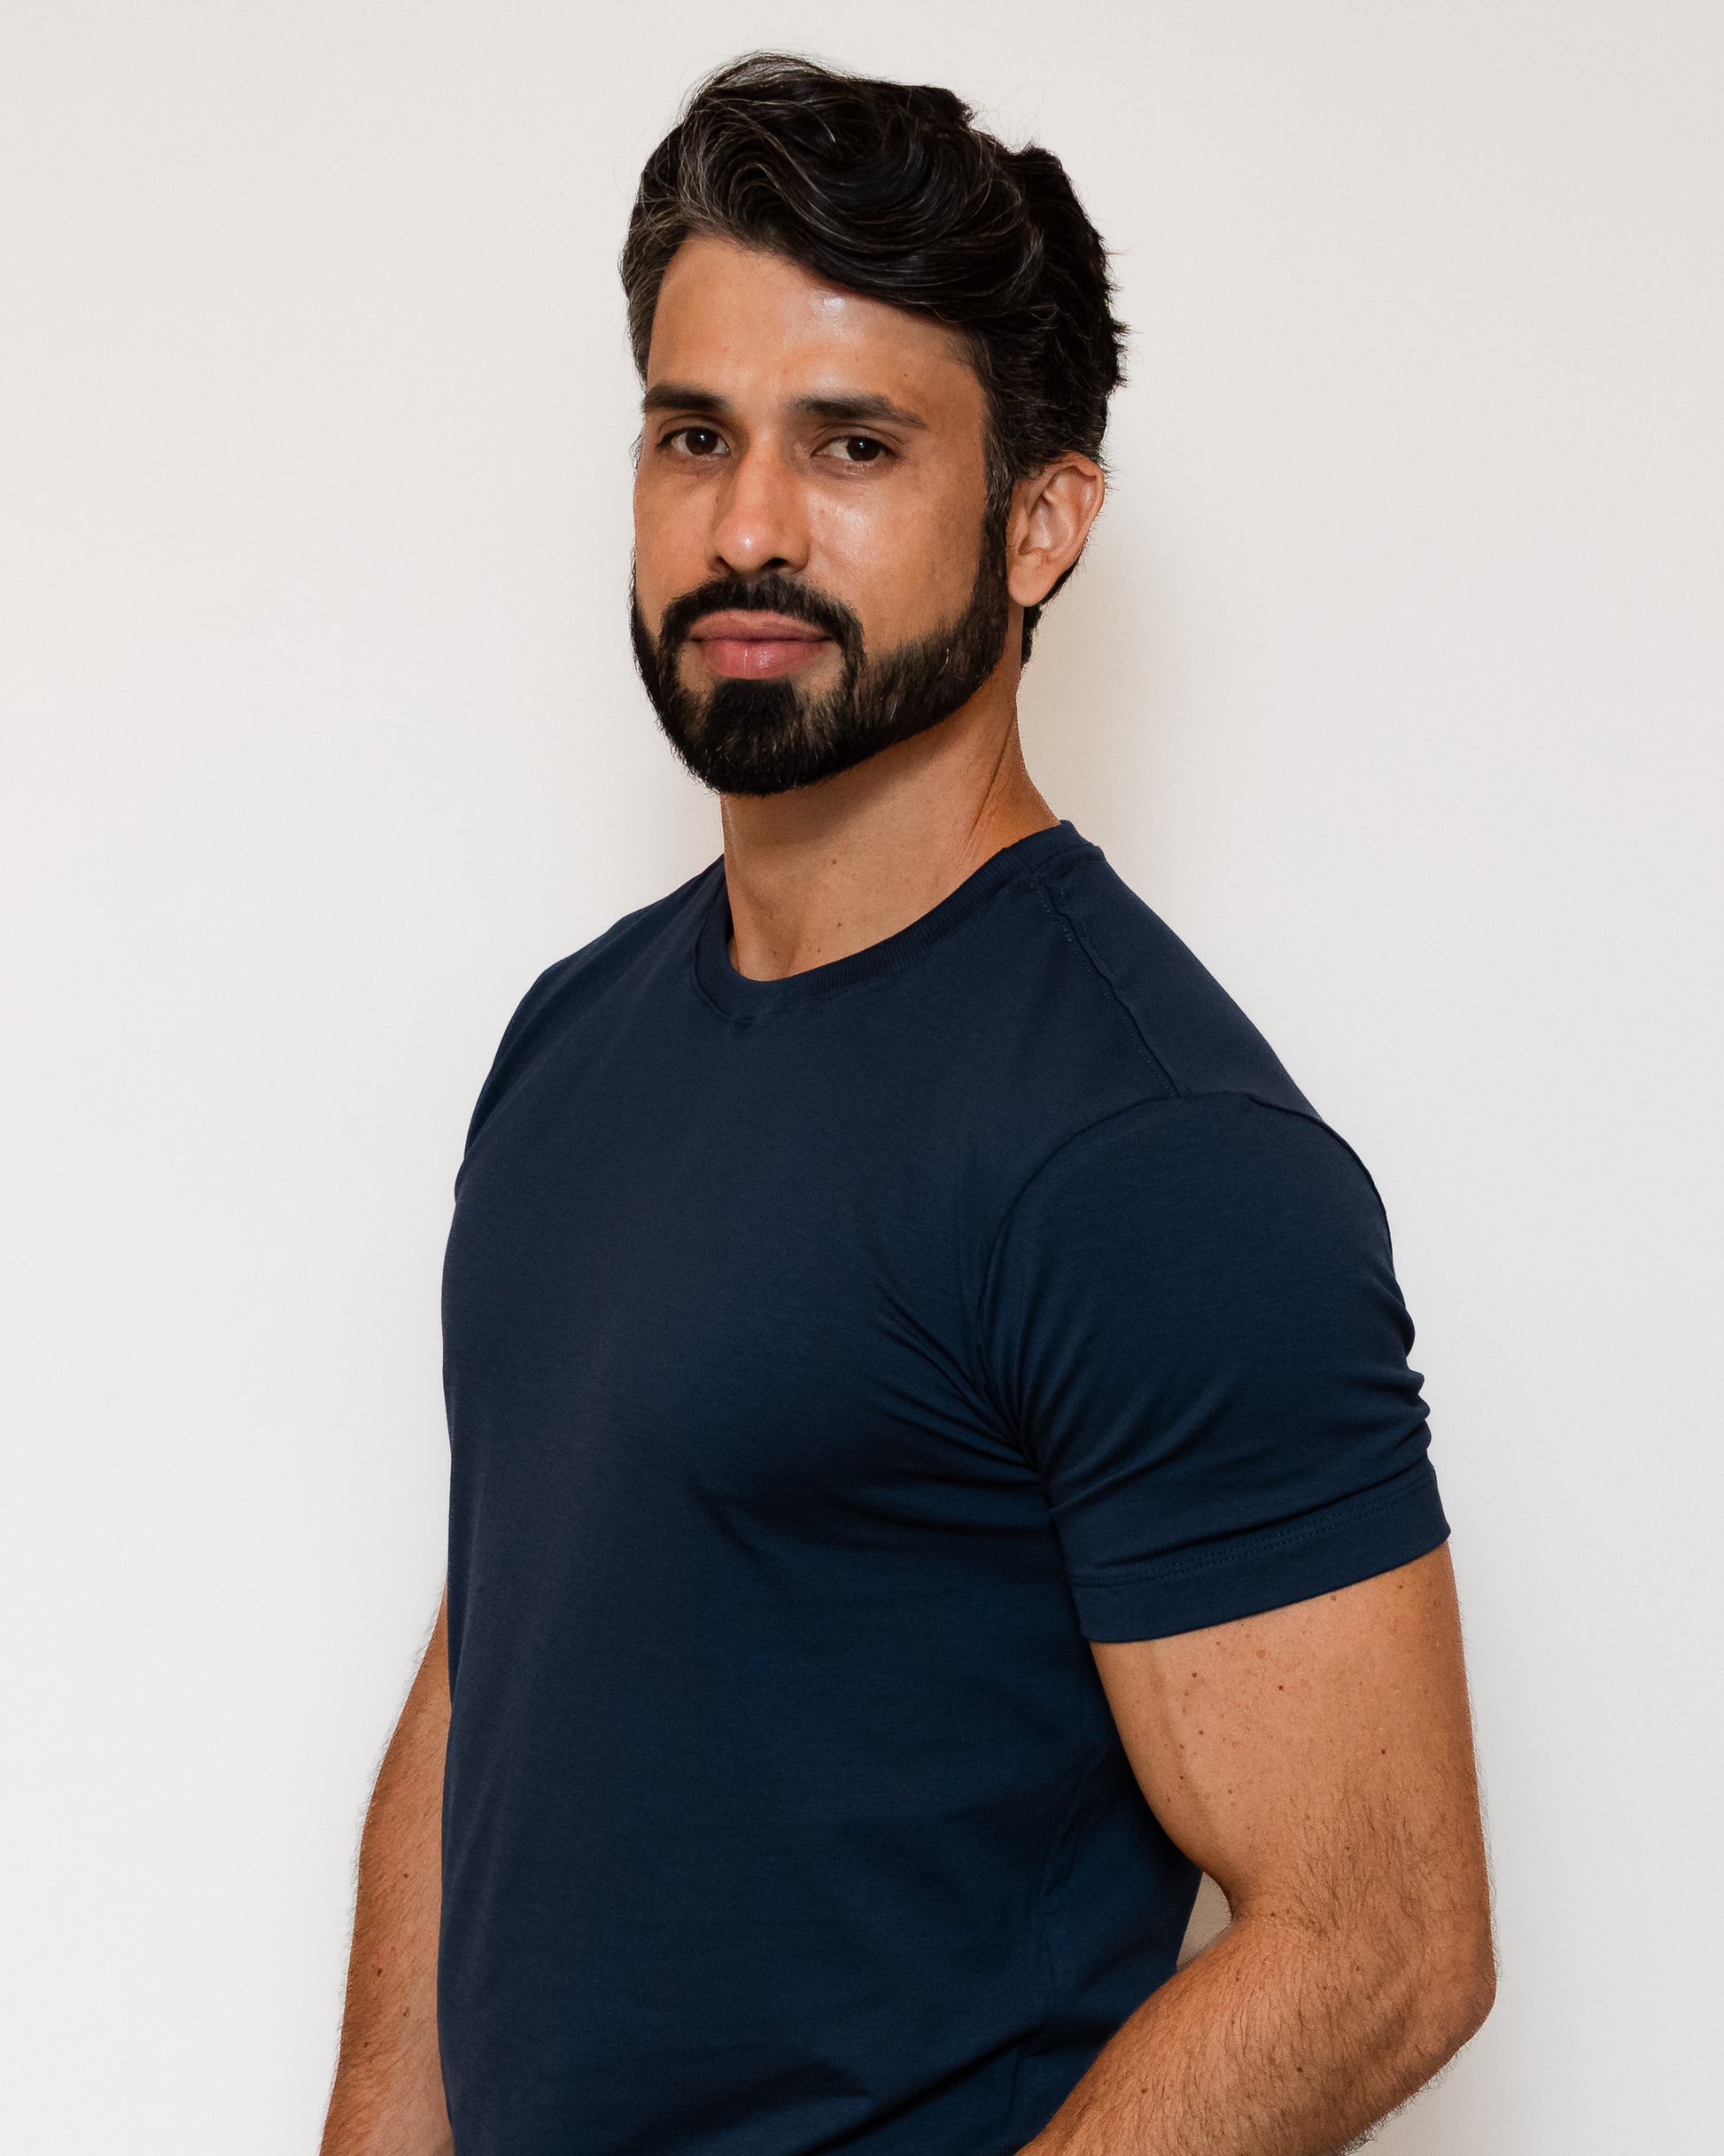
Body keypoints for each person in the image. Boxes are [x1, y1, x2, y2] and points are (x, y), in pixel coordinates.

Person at [319, 53, 1494, 2156]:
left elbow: (1383, 1936)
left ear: (1038, 521)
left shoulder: (1152, 1153)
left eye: (851, 444)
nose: (746, 527)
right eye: (695, 434)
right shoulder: (574, 1040)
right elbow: (494, 1670)